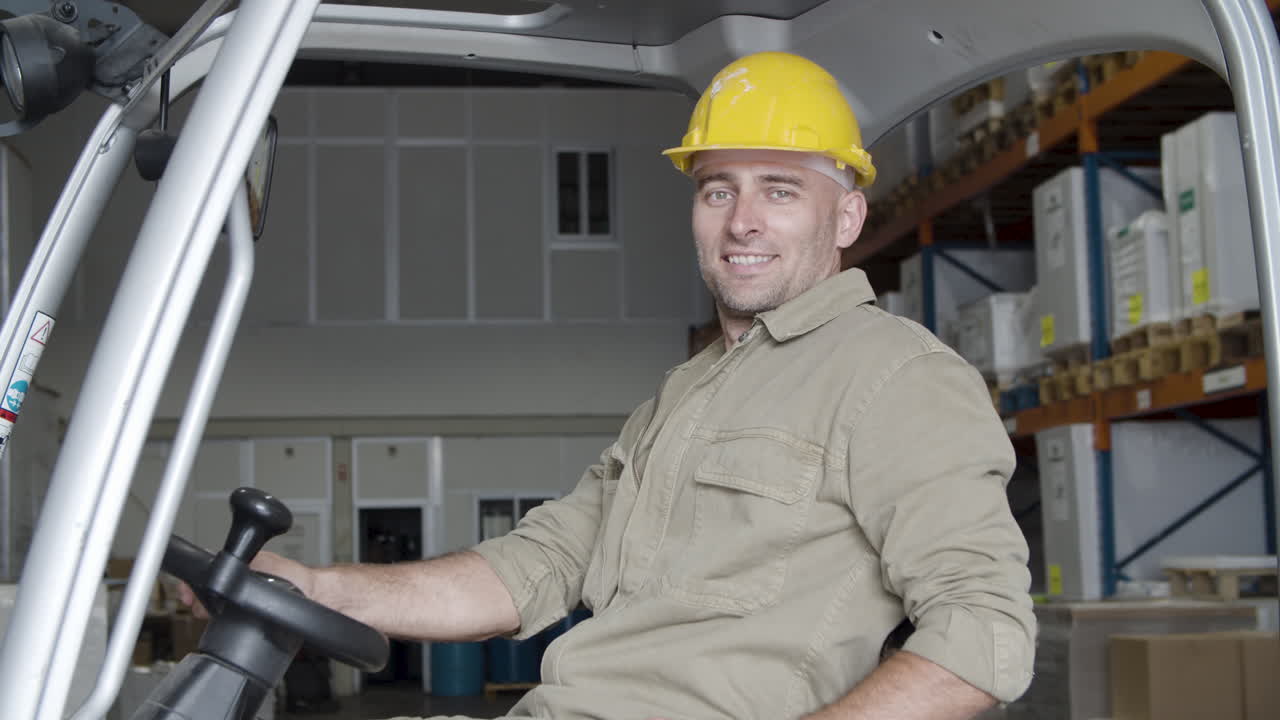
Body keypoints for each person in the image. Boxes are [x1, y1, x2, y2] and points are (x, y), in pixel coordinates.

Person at [188, 51, 1036, 719]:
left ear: (845, 217)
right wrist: (319, 588)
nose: (742, 220)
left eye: (780, 191)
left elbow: (986, 631)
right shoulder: (686, 394)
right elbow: (538, 565)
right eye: (718, 190)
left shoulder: (898, 377)